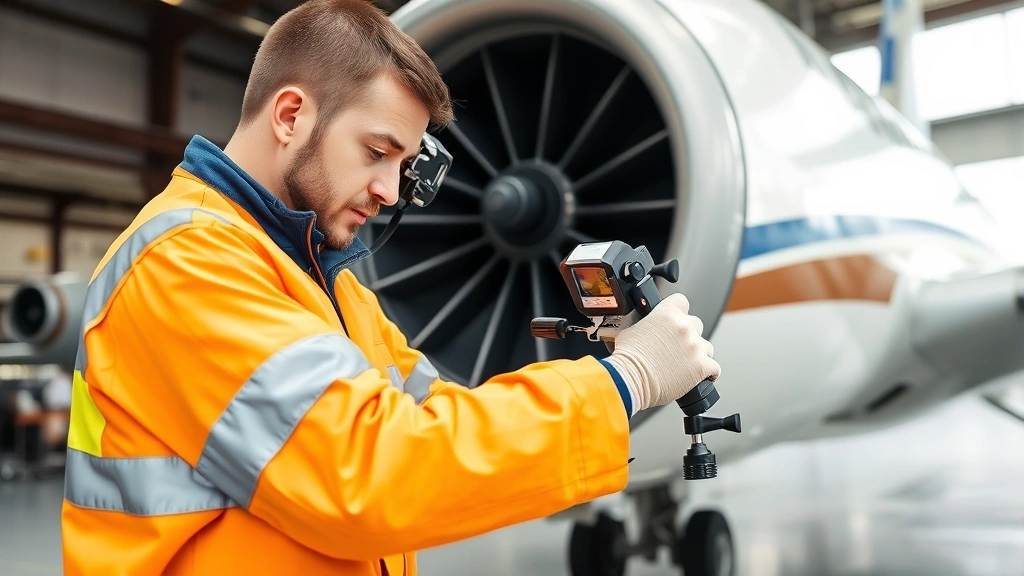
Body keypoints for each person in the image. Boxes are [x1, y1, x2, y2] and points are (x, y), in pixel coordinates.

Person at [59, 1, 721, 574]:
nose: (389, 191)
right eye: (377, 153)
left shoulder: (330, 291)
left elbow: (440, 431)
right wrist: (627, 379)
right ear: (290, 115)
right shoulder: (186, 262)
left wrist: (606, 368)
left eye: (406, 165)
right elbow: (373, 472)